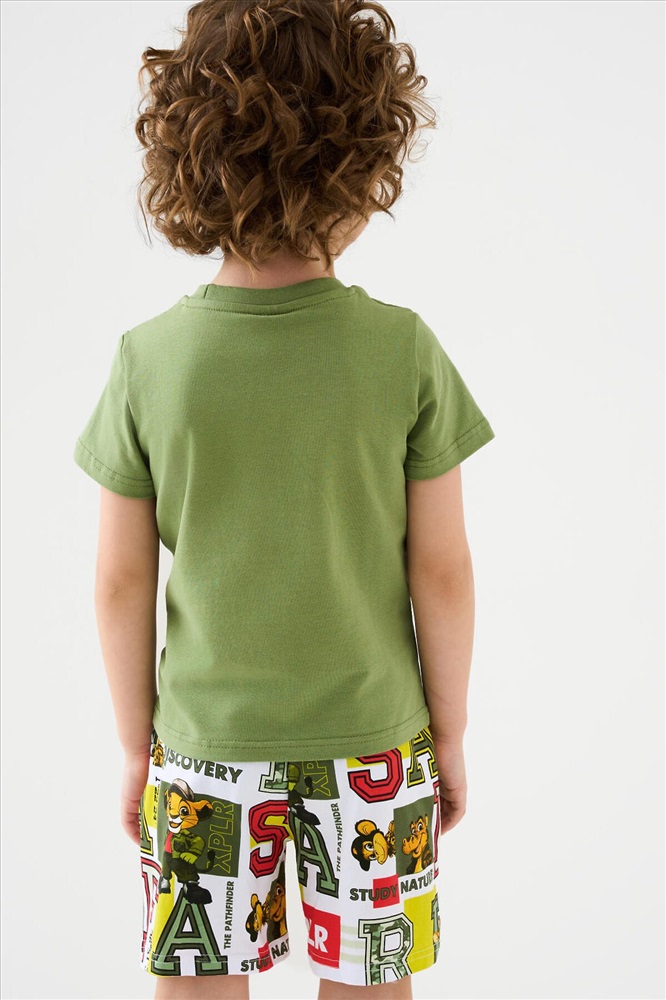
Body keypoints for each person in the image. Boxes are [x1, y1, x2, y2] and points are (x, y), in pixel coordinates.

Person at [72, 1, 495, 997]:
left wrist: (137, 746)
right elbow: (440, 569)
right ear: (362, 160)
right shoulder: (403, 351)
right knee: (370, 983)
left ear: (191, 160)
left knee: (197, 980)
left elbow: (121, 580)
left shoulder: (149, 362)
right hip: (373, 753)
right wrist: (449, 734)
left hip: (203, 753)